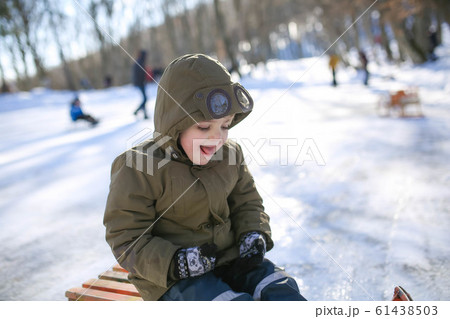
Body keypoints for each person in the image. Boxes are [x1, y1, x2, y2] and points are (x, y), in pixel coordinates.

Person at [103, 54, 307, 301]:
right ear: (174, 122)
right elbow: (127, 237)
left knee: (280, 289)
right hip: (173, 278)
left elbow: (248, 202)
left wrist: (253, 232)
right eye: (203, 127)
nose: (217, 138)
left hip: (231, 257)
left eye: (225, 125)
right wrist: (176, 262)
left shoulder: (230, 154)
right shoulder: (139, 166)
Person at [132, 50, 149, 119]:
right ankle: (137, 111)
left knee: (145, 98)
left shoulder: (139, 61)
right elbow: (140, 74)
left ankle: (144, 114)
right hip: (140, 83)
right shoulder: (140, 62)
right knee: (145, 98)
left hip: (140, 82)